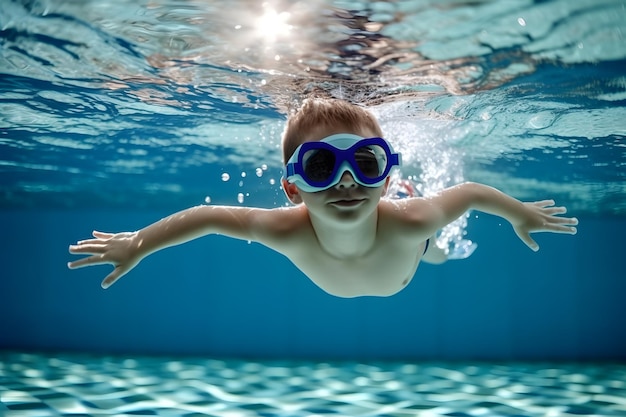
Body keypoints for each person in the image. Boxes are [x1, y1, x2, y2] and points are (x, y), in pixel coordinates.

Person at [68, 99, 578, 298]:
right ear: (293, 187)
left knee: (440, 248)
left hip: (412, 252)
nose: (346, 181)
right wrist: (137, 241)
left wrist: (520, 213)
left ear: (381, 176)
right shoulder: (285, 227)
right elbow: (206, 217)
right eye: (320, 166)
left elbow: (467, 193)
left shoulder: (411, 220)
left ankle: (428, 230)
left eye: (366, 163)